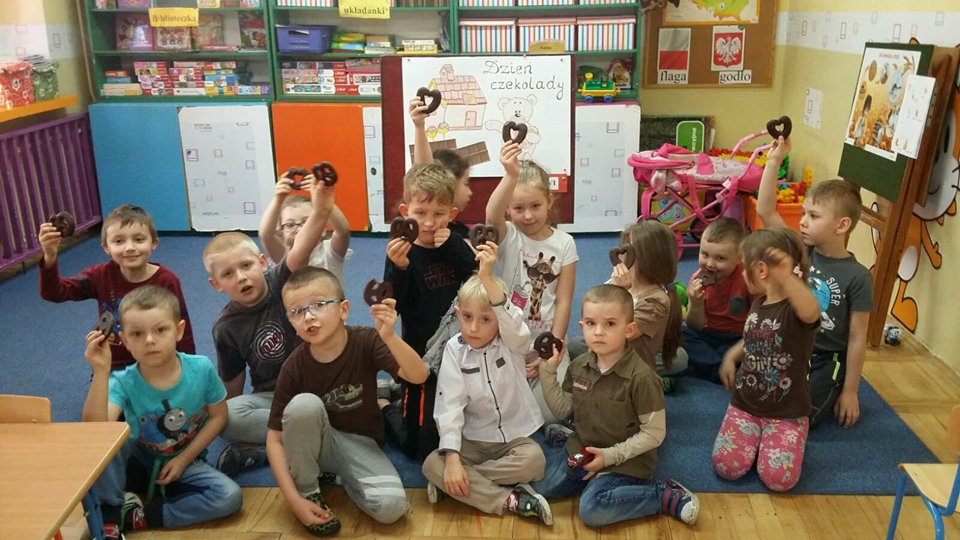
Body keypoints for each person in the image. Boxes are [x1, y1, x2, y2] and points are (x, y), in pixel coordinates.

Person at [266, 266, 429, 536]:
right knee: (303, 406)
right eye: (296, 311)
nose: (308, 316)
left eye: (319, 305)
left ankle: (337, 477)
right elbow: (274, 439)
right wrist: (295, 500)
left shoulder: (366, 340)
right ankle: (310, 488)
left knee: (392, 508)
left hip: (362, 444)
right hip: (317, 445)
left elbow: (419, 375)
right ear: (291, 323)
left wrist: (389, 336)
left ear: (343, 310)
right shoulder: (293, 367)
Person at [533, 284, 699, 528]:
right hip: (585, 448)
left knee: (592, 510)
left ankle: (662, 494)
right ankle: (567, 440)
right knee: (541, 487)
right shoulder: (578, 366)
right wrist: (547, 371)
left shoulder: (642, 378)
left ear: (629, 330)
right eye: (591, 323)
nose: (599, 332)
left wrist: (609, 457)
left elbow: (654, 434)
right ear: (582, 327)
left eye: (610, 324)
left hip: (626, 461)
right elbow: (563, 411)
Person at [82, 286, 242, 539]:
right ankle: (110, 514)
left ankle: (137, 516)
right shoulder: (121, 381)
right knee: (110, 440)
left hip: (185, 462)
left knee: (229, 496)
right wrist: (100, 370)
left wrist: (183, 459)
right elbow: (95, 431)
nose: (149, 340)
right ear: (124, 340)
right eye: (137, 333)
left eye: (160, 330)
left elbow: (219, 416)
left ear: (179, 330)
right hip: (137, 461)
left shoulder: (201, 368)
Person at [204, 178, 334, 475]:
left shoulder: (281, 279)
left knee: (345, 407)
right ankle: (313, 437)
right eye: (228, 274)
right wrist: (220, 417)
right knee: (229, 417)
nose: (241, 277)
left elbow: (300, 248)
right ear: (216, 284)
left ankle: (269, 449)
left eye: (246, 266)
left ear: (262, 263)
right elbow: (232, 385)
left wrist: (321, 210)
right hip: (273, 396)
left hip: (318, 386)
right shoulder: (225, 327)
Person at [421, 241, 552, 525]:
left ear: (499, 320)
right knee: (433, 463)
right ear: (458, 314)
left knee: (535, 461)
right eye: (467, 317)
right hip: (472, 439)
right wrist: (452, 460)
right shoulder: (454, 349)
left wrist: (488, 278)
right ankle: (508, 500)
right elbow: (449, 405)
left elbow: (516, 327)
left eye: (485, 320)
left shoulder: (511, 342)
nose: (473, 328)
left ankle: (455, 486)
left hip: (513, 438)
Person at [756, 136, 873, 429]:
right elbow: (765, 211)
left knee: (802, 413)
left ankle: (832, 389)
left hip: (826, 358)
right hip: (791, 343)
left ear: (841, 225)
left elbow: (857, 338)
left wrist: (850, 392)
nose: (803, 221)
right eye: (804, 213)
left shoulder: (858, 277)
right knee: (754, 385)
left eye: (813, 216)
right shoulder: (802, 251)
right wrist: (774, 161)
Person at [713, 227, 821, 491]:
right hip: (745, 404)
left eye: (744, 268)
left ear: (761, 270)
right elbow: (755, 337)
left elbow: (811, 312)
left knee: (779, 479)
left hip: (786, 413)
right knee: (726, 467)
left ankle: (784, 439)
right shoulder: (758, 303)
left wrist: (788, 278)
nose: (742, 274)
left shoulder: (796, 309)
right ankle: (759, 442)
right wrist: (731, 355)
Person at [382, 162, 477, 460]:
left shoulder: (456, 242)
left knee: (466, 431)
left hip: (459, 352)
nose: (429, 223)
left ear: (452, 214)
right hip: (420, 358)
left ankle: (398, 394)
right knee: (418, 448)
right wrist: (399, 268)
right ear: (405, 211)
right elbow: (392, 304)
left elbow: (475, 281)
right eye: (420, 213)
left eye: (438, 214)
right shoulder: (401, 252)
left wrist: (452, 247)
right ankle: (385, 405)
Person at [38, 204, 196, 371]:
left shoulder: (167, 281)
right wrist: (50, 256)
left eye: (139, 239)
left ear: (153, 243)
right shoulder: (100, 276)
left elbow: (182, 329)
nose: (130, 248)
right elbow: (54, 292)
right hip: (114, 365)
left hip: (156, 361)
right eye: (119, 241)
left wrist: (188, 369)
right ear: (106, 247)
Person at [486, 142, 579, 424]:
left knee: (549, 416)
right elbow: (491, 216)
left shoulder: (565, 243)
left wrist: (554, 347)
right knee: (495, 410)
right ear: (508, 209)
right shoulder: (508, 235)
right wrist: (509, 175)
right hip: (506, 342)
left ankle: (569, 358)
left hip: (546, 341)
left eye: (535, 206)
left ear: (549, 201)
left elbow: (563, 300)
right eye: (518, 208)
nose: (527, 215)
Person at [683, 218, 753, 384]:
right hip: (707, 334)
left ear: (739, 258)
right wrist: (695, 303)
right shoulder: (696, 279)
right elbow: (695, 325)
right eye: (705, 254)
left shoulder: (748, 279)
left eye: (720, 258)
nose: (710, 264)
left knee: (759, 344)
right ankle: (721, 369)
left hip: (738, 337)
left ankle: (710, 366)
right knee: (680, 334)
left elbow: (757, 321)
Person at [257, 170, 351, 286]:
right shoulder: (285, 257)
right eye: (290, 225)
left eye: (306, 222)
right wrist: (278, 199)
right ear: (282, 233)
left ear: (322, 229)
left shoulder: (329, 252)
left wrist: (325, 202)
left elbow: (343, 231)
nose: (299, 229)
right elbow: (266, 235)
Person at [409, 94, 473, 238]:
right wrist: (419, 126)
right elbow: (423, 168)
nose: (470, 192)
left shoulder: (460, 231)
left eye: (438, 214)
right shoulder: (417, 230)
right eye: (465, 183)